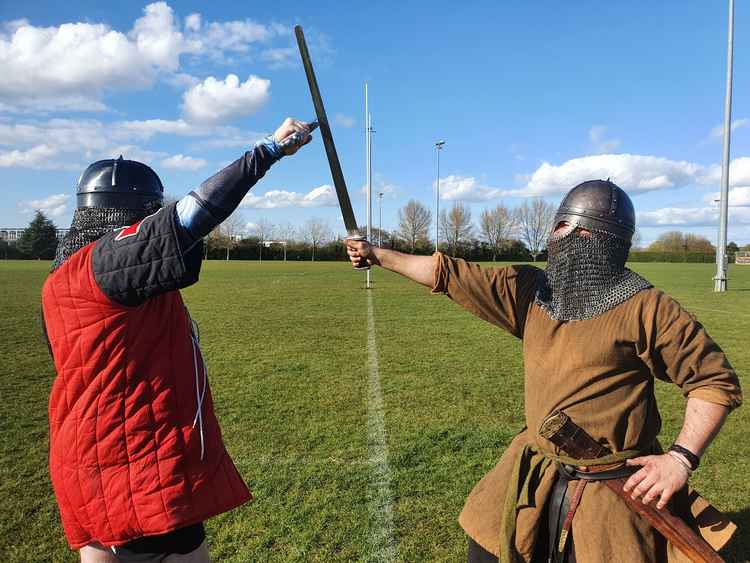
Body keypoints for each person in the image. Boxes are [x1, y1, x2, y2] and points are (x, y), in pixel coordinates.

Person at [345, 180, 742, 562]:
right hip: (535, 469)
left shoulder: (648, 308)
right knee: (486, 545)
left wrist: (679, 459)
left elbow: (714, 381)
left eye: (562, 226)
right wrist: (377, 254)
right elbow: (449, 274)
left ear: (592, 237)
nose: (554, 236)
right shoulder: (535, 292)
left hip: (612, 486)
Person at [41, 118, 314, 562]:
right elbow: (188, 218)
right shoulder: (102, 264)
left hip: (101, 460)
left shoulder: (65, 281)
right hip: (128, 465)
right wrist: (268, 151)